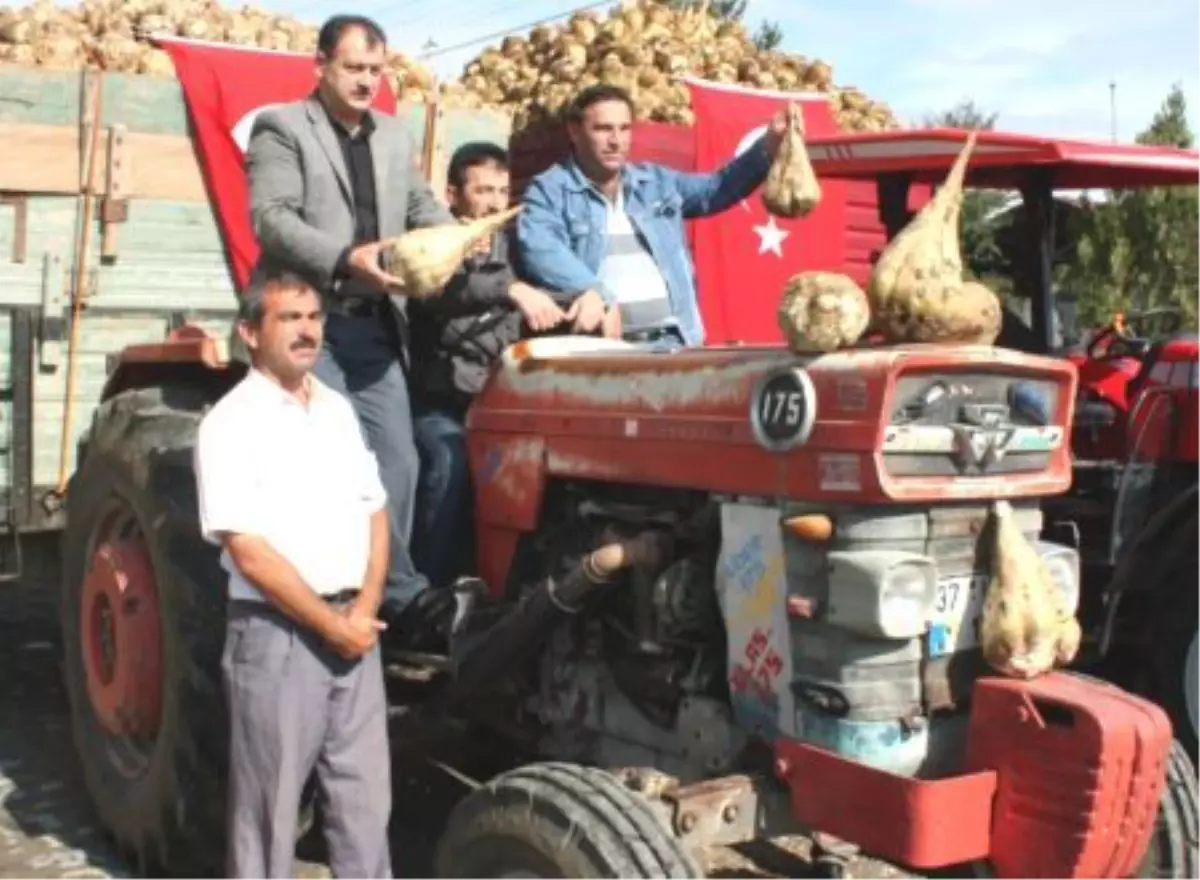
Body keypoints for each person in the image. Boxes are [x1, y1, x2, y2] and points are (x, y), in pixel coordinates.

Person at [245, 13, 458, 657]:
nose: (367, 81)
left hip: (372, 330)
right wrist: (344, 258)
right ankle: (364, 595)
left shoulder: (393, 137)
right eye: (354, 69)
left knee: (400, 459)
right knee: (342, 456)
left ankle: (389, 596)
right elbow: (271, 219)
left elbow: (422, 206)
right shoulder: (283, 128)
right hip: (312, 323)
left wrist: (458, 236)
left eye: (376, 70)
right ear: (322, 67)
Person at [195, 266, 392, 880]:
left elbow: (376, 511)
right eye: (290, 319)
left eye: (314, 318)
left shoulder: (335, 409)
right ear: (250, 332)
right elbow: (249, 549)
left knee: (366, 808)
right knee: (269, 812)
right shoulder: (230, 422)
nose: (307, 332)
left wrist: (362, 609)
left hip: (354, 631)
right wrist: (331, 626)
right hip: (278, 636)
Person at [407, 141, 575, 588]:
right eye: (482, 190)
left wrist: (588, 296)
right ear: (453, 194)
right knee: (449, 463)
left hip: (503, 399)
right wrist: (509, 292)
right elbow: (442, 293)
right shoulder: (432, 242)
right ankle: (427, 594)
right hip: (441, 401)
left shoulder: (518, 243)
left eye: (501, 190)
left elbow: (550, 287)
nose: (494, 202)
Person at [515, 82, 788, 348]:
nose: (615, 141)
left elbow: (715, 190)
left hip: (677, 342)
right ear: (574, 132)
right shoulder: (551, 189)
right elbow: (540, 248)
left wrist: (768, 145)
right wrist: (597, 293)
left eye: (624, 129)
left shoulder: (655, 183)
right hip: (608, 350)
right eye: (603, 129)